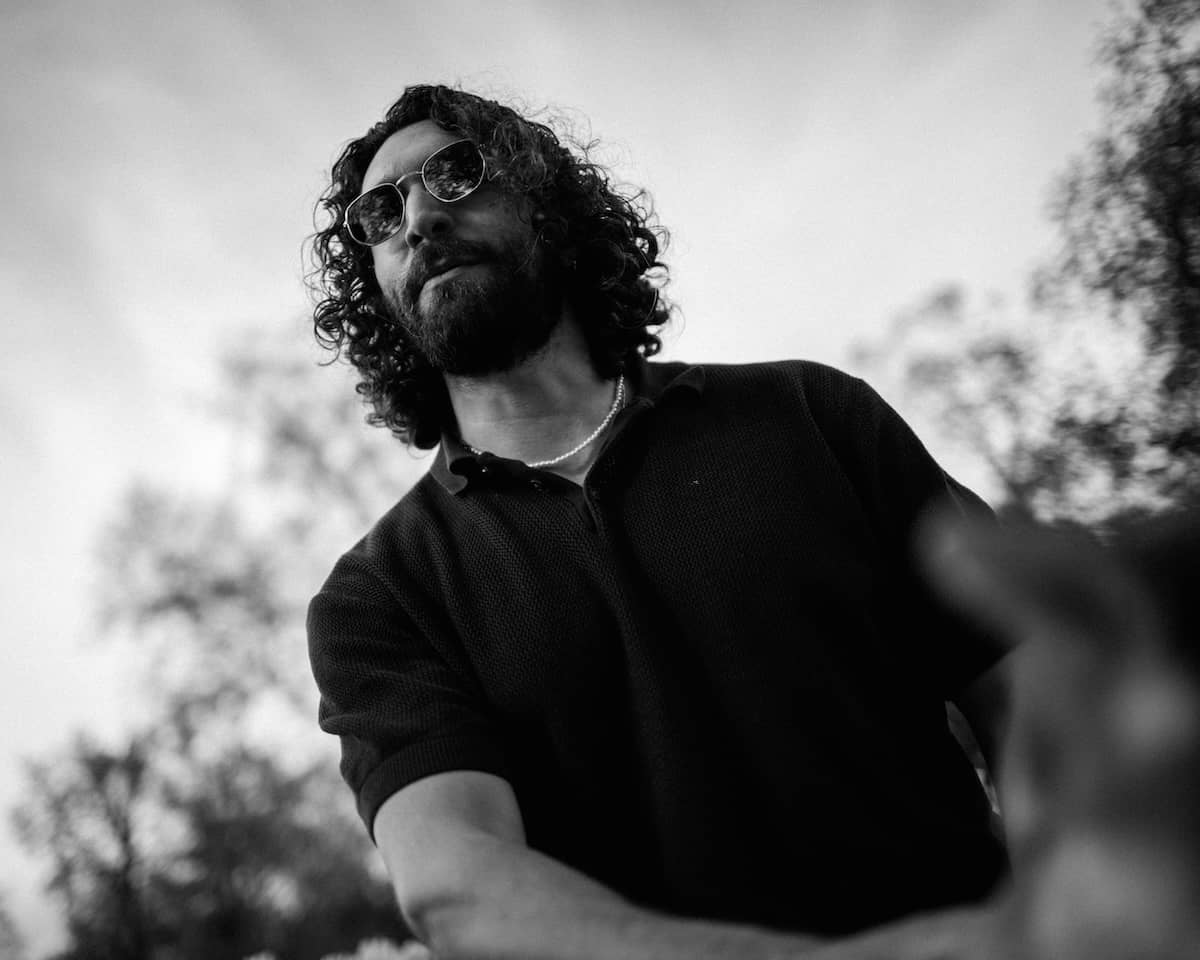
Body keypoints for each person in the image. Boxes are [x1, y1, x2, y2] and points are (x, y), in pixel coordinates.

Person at [306, 84, 1012, 959]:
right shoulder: (380, 597)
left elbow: (1034, 687)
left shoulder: (813, 416)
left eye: (455, 172)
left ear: (545, 202)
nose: (417, 218)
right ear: (374, 286)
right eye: (380, 212)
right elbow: (461, 885)